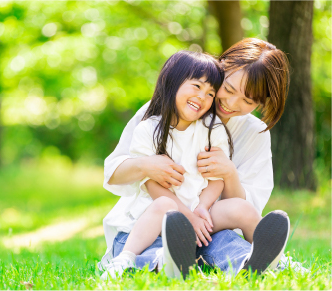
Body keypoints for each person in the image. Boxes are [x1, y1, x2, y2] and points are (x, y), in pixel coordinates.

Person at [98, 38, 297, 278]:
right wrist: (146, 165)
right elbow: (113, 172)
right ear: (220, 67)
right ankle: (158, 261)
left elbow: (245, 211)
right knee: (158, 247)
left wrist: (229, 174)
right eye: (229, 89)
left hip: (208, 227)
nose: (231, 104)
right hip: (149, 222)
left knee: (227, 244)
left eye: (248, 101)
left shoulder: (251, 132)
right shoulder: (163, 111)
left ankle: (256, 261)